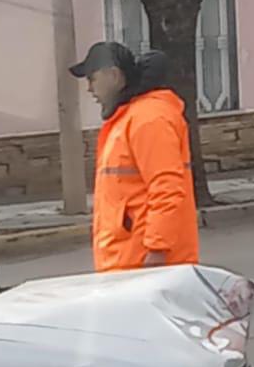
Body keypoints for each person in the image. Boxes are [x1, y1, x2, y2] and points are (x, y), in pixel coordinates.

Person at [69, 42, 199, 273]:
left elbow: (166, 188)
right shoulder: (131, 118)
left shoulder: (149, 119)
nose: (89, 89)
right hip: (130, 262)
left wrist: (157, 250)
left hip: (144, 264)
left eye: (92, 78)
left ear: (114, 75)